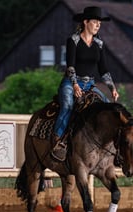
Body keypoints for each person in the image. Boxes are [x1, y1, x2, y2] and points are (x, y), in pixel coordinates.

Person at [51, 6, 119, 161]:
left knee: (108, 106)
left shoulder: (99, 44)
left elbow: (103, 69)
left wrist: (112, 88)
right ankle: (58, 140)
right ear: (85, 22)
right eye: (95, 22)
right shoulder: (73, 40)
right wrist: (75, 85)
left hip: (90, 85)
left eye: (99, 23)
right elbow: (70, 66)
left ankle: (108, 146)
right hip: (71, 82)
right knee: (68, 105)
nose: (98, 25)